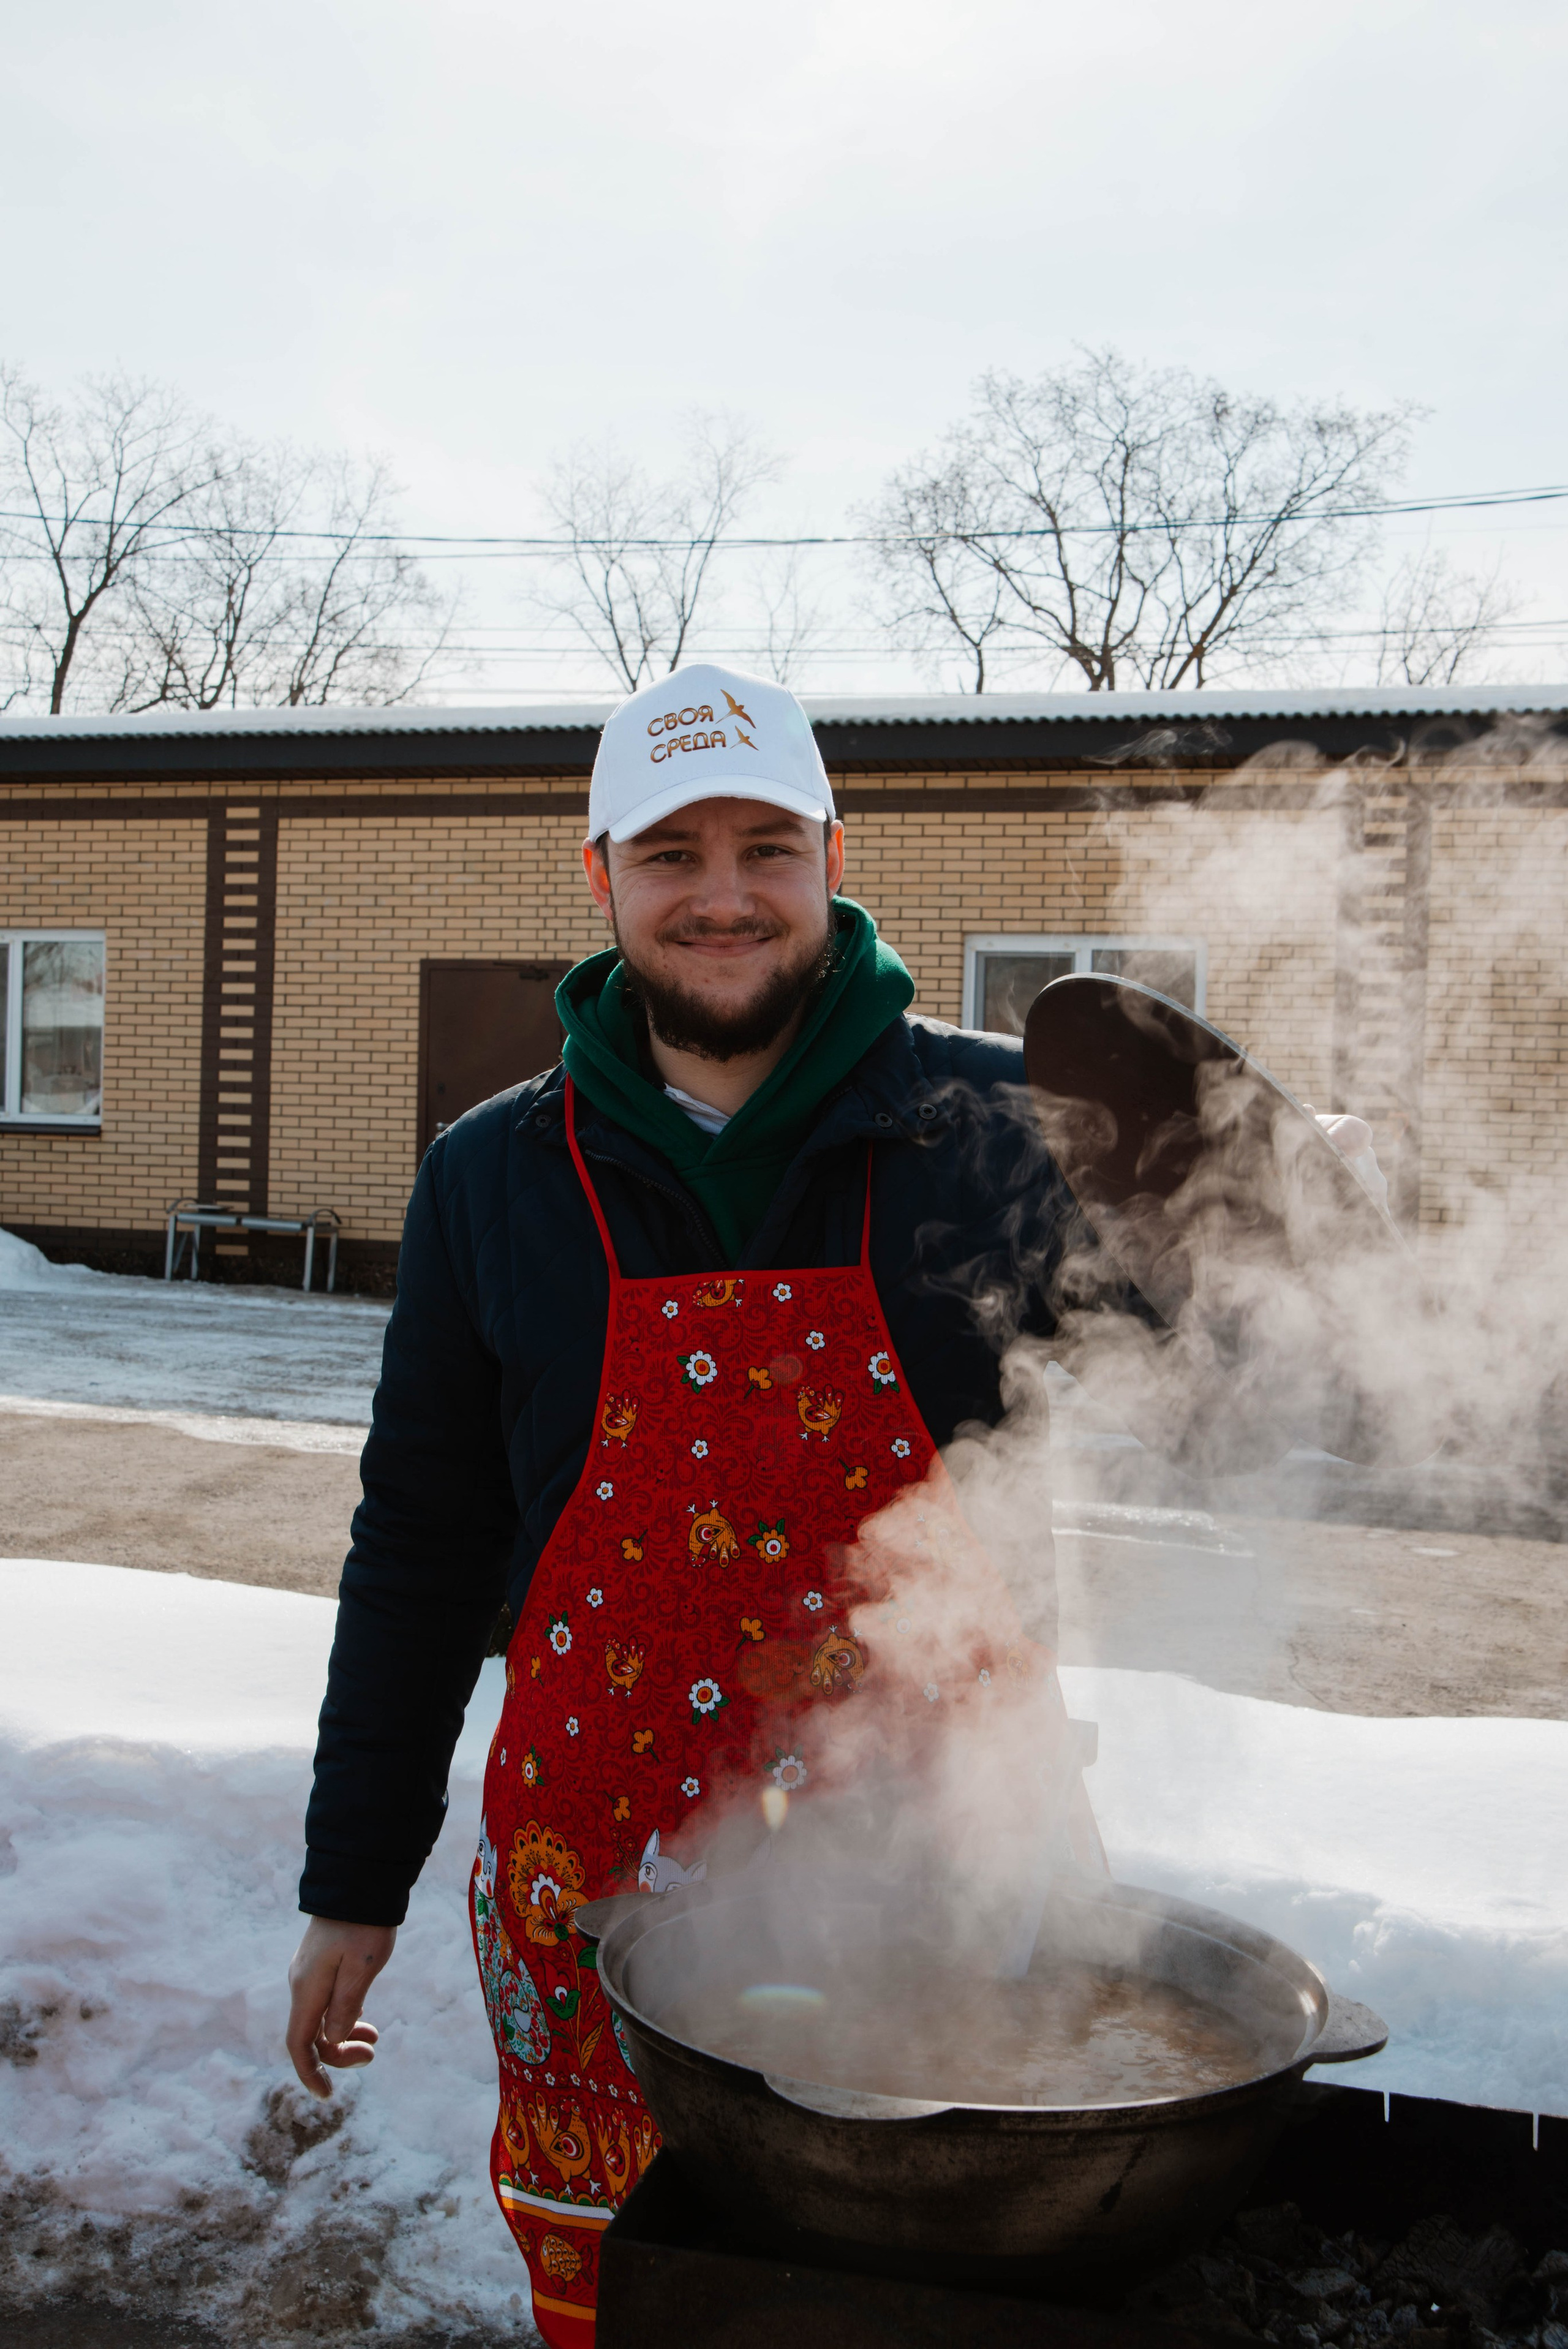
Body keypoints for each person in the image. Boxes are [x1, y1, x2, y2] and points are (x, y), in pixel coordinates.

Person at [283, 663, 1096, 2344]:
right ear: (601, 874)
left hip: (940, 1861)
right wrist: (352, 1876)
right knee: (645, 2291)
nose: (722, 893)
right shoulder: (495, 1172)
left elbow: (1243, 1364)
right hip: (598, 1891)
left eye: (765, 845)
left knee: (937, 2291)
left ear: (830, 854)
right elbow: (421, 1547)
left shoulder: (1001, 1131)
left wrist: (1289, 1204)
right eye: (670, 850)